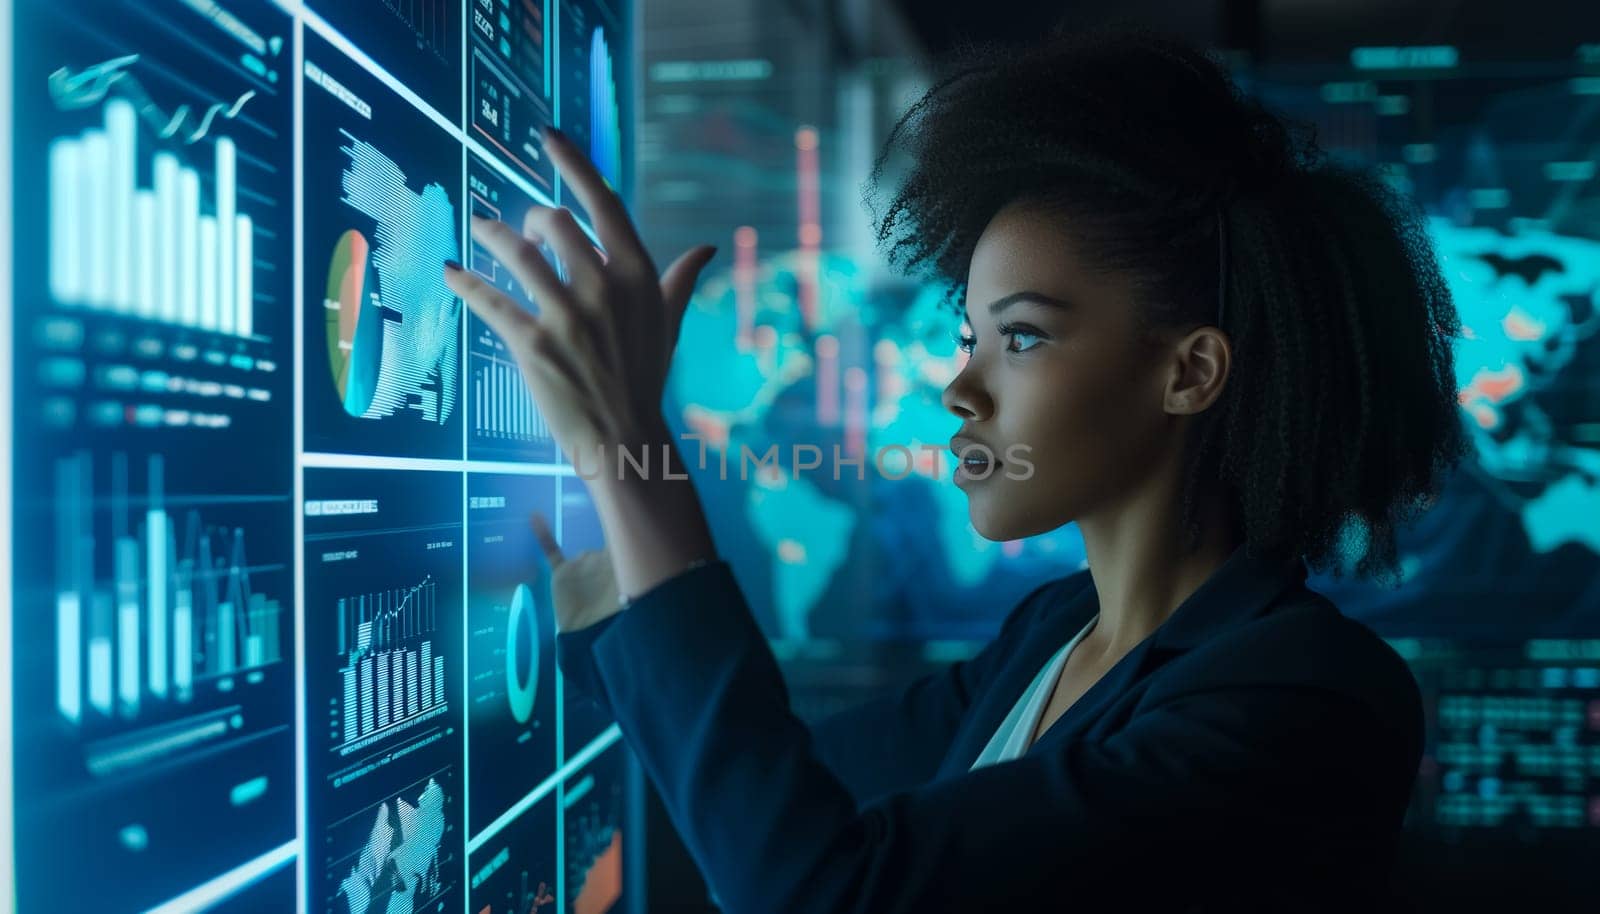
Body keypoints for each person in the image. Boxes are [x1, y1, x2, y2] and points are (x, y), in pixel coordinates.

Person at [443, 23, 1468, 912]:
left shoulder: (1306, 700)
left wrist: (628, 447)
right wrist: (601, 610)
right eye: (968, 335)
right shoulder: (1052, 630)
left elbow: (813, 884)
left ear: (1189, 369)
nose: (960, 389)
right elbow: (773, 789)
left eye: (1019, 338)